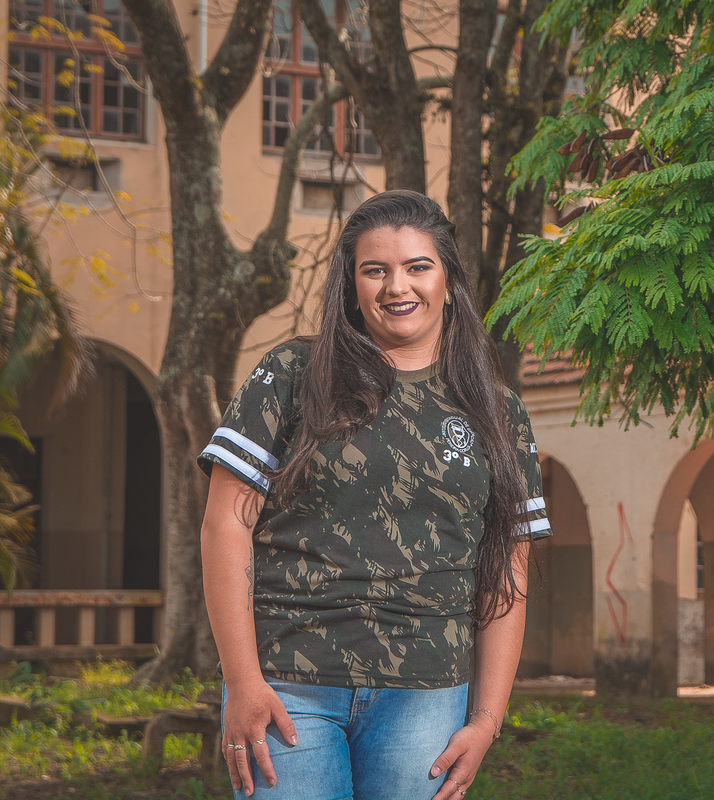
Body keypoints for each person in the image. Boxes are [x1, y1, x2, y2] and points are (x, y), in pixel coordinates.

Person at [197, 190, 550, 800]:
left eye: (418, 266)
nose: (397, 286)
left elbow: (507, 569)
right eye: (375, 269)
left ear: (447, 279)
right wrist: (242, 680)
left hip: (427, 696)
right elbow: (225, 525)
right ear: (351, 283)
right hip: (289, 685)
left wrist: (487, 720)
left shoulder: (498, 413)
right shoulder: (291, 374)